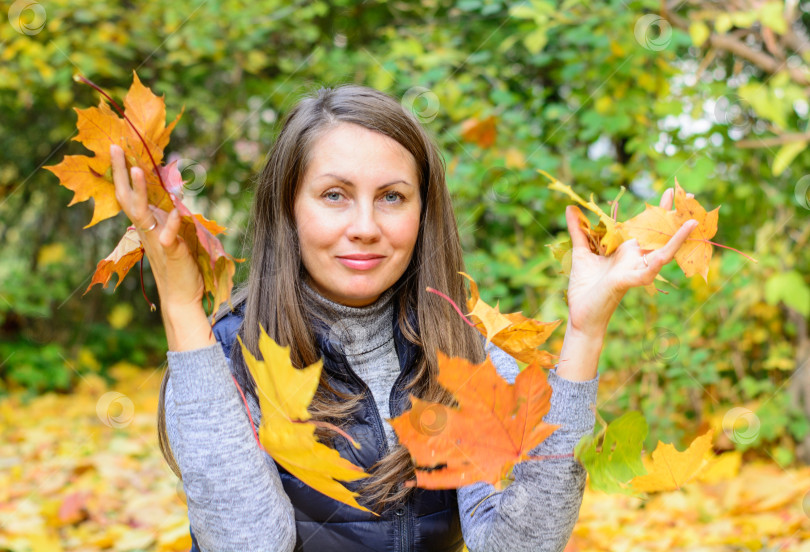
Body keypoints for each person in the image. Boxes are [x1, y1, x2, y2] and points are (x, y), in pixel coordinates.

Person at [110, 84, 697, 552]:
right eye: (334, 194)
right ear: (288, 208)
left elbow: (520, 544)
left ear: (422, 213)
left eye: (392, 196)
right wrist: (183, 307)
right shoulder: (230, 355)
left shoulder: (462, 350)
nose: (366, 225)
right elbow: (246, 543)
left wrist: (586, 331)